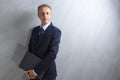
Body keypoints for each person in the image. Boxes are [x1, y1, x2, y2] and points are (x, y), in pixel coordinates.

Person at [24, 4, 61, 80]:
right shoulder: (34, 30)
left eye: (47, 13)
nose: (45, 16)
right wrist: (28, 70)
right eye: (42, 13)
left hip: (48, 73)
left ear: (51, 15)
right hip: (32, 72)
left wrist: (35, 71)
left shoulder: (56, 32)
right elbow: (30, 50)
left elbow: (52, 54)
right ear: (38, 15)